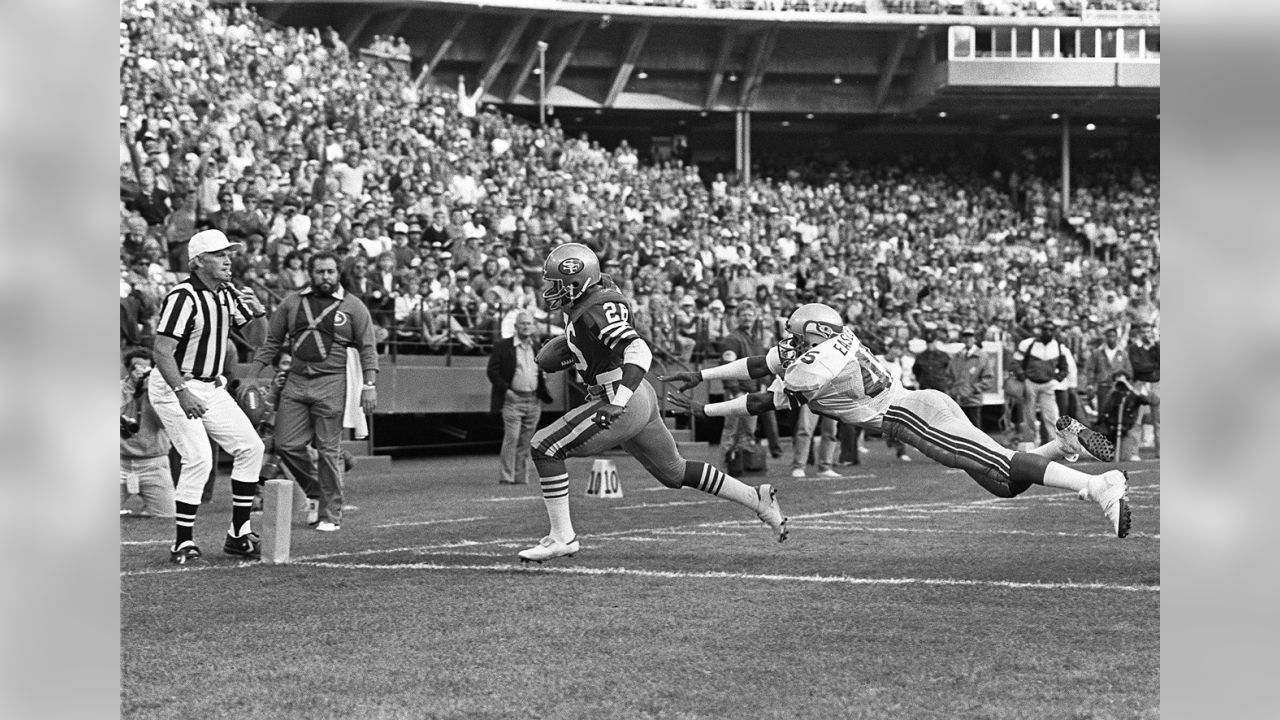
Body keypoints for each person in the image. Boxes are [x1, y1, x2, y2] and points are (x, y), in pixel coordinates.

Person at [663, 303, 1132, 538]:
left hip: (906, 416)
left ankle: (1098, 486)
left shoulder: (817, 365)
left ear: (815, 334)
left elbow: (765, 398)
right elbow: (760, 365)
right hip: (920, 403)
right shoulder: (832, 344)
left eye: (795, 334)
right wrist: (698, 375)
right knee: (1003, 482)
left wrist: (704, 409)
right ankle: (1063, 446)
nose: (787, 341)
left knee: (1006, 466)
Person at [519, 243, 788, 562]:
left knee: (544, 447)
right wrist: (577, 350)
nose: (549, 291)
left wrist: (617, 402)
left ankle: (561, 537)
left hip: (620, 396)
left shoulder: (595, 308)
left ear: (577, 282)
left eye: (555, 284)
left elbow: (639, 350)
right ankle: (757, 499)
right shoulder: (596, 297)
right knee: (675, 472)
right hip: (636, 395)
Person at [149, 229, 268, 564]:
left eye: (229, 253)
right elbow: (161, 351)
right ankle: (182, 542)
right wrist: (182, 392)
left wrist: (259, 312)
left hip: (210, 385)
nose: (228, 259)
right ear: (199, 261)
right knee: (199, 457)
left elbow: (259, 339)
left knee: (251, 447)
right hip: (176, 384)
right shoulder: (183, 297)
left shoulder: (227, 294)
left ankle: (239, 534)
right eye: (219, 254)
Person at [243, 250, 379, 532]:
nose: (325, 277)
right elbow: (271, 342)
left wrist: (369, 385)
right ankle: (316, 488)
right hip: (296, 381)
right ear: (310, 273)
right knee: (286, 444)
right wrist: (252, 376)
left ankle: (330, 514)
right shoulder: (292, 303)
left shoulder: (353, 306)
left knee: (329, 451)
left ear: (338, 273)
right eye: (320, 272)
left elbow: (368, 348)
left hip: (331, 383)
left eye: (330, 271)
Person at [487, 312, 554, 485]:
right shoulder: (503, 346)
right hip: (513, 399)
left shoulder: (537, 346)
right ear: (516, 327)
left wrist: (543, 379)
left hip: (533, 400)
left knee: (526, 440)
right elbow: (492, 371)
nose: (525, 326)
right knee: (512, 438)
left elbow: (542, 370)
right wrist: (506, 391)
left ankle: (520, 477)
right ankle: (506, 476)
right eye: (522, 323)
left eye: (529, 323)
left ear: (533, 327)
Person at [120, 348, 175, 518]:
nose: (141, 373)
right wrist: (130, 388)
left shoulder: (161, 393)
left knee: (167, 515)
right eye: (136, 368)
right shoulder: (120, 389)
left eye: (146, 369)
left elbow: (165, 424)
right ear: (128, 370)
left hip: (153, 463)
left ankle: (146, 508)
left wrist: (150, 394)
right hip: (118, 462)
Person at [717, 301, 766, 472]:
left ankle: (740, 467)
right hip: (737, 392)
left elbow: (762, 365)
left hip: (753, 393)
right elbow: (726, 366)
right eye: (743, 314)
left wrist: (762, 385)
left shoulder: (757, 340)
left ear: (755, 317)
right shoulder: (732, 339)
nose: (747, 318)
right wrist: (734, 390)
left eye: (750, 314)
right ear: (737, 318)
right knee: (731, 431)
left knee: (748, 433)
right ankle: (723, 470)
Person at [1014, 320, 1069, 445]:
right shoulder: (1029, 343)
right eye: (1045, 329)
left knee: (1052, 415)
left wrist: (1057, 378)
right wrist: (1023, 377)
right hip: (1030, 382)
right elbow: (1016, 362)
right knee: (1029, 415)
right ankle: (1031, 442)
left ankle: (1056, 445)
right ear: (1041, 330)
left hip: (1047, 383)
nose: (1048, 332)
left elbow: (1064, 367)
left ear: (1054, 331)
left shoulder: (1059, 346)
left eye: (1051, 330)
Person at [947, 328, 994, 429]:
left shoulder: (982, 357)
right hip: (957, 399)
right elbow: (948, 376)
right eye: (965, 336)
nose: (968, 339)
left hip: (973, 400)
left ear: (975, 339)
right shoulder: (957, 356)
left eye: (970, 336)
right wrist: (953, 391)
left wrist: (972, 389)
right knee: (958, 430)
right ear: (962, 339)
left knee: (974, 430)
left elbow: (988, 379)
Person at [1126, 322, 1160, 459]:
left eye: (1149, 331)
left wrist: (1155, 345)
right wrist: (1154, 366)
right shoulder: (1134, 348)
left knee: (1159, 421)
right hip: (1140, 384)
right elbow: (1138, 367)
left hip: (1157, 384)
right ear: (1140, 333)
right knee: (1136, 420)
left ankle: (1161, 451)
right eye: (1144, 332)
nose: (1147, 334)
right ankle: (1133, 452)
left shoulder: (1156, 347)